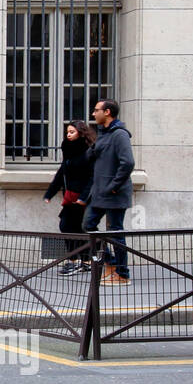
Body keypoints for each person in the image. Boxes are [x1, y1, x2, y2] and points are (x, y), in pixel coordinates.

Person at [81, 98, 134, 285]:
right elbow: (92, 157)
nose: (93, 114)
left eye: (97, 110)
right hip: (99, 193)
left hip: (113, 193)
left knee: (115, 233)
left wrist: (114, 186)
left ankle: (122, 274)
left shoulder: (119, 134)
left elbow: (128, 163)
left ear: (108, 112)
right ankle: (110, 263)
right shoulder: (103, 133)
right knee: (89, 225)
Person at [43, 120, 95, 274]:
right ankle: (84, 260)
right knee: (72, 227)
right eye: (67, 132)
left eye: (72, 132)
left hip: (84, 197)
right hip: (71, 196)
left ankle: (76, 260)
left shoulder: (88, 152)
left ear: (81, 132)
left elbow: (93, 177)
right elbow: (62, 173)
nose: (68, 135)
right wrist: (50, 193)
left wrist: (84, 197)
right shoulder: (68, 150)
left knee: (73, 227)